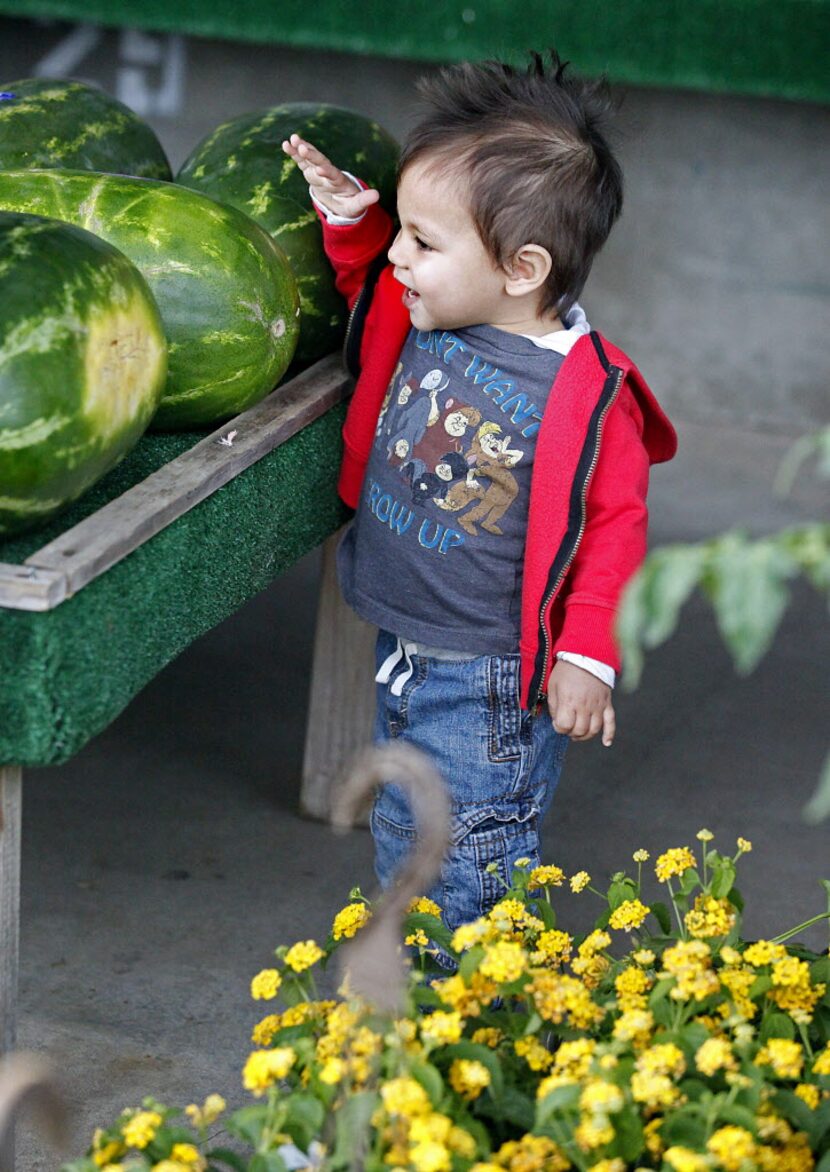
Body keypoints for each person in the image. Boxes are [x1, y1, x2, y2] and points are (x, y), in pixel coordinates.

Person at [282, 50, 677, 936]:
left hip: (488, 677)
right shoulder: (437, 308)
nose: (399, 255)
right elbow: (369, 287)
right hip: (408, 644)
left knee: (465, 855)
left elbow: (615, 530)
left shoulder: (587, 392)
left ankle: (466, 1018)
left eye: (423, 241)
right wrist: (350, 220)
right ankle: (424, 1000)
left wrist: (587, 656)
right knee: (406, 832)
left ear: (523, 268)